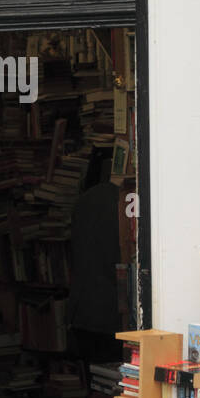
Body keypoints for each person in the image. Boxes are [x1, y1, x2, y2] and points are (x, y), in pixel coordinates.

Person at [67, 149, 128, 374]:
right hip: (113, 314)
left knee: (95, 383)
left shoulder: (84, 201)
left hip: (83, 311)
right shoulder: (125, 201)